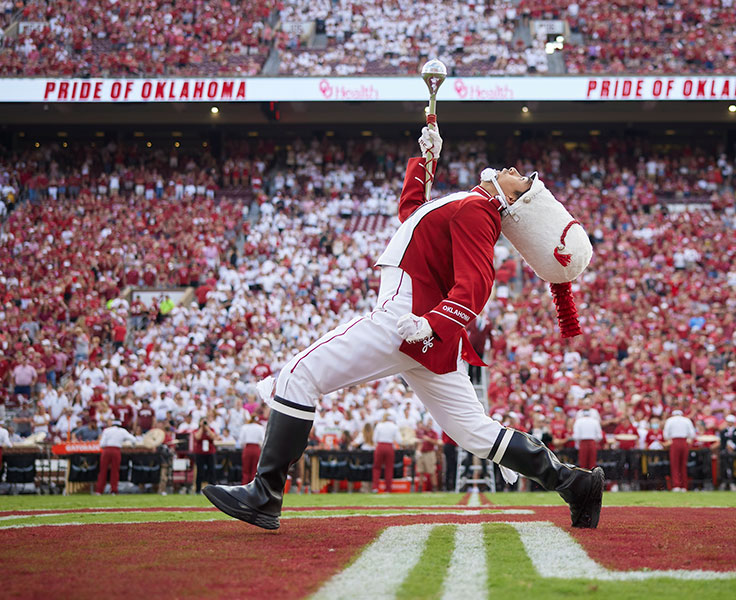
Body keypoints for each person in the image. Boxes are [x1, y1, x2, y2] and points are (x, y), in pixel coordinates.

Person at [202, 121, 603, 530]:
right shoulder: (470, 204)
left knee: (296, 376)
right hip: (425, 337)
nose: (515, 169)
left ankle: (264, 495)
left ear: (516, 197)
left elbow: (476, 285)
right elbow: (411, 214)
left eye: (523, 177)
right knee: (475, 432)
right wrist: (424, 160)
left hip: (405, 321)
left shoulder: (478, 209)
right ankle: (576, 484)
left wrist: (431, 324)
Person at [95, 420, 137, 494]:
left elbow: (102, 444)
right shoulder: (122, 431)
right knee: (115, 471)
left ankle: (99, 490)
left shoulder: (107, 430)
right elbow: (133, 439)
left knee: (103, 471)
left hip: (106, 450)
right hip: (116, 450)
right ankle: (113, 490)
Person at [663, 409, 695, 492]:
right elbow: (692, 433)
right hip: (684, 441)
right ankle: (684, 486)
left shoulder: (670, 420)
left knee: (675, 465)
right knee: (683, 464)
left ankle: (676, 485)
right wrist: (689, 439)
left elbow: (666, 434)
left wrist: (669, 439)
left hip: (674, 442)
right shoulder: (686, 420)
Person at [372, 412, 400, 493]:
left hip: (380, 446)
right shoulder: (394, 426)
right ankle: (388, 489)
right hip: (389, 446)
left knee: (377, 467)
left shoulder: (379, 425)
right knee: (389, 468)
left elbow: (374, 439)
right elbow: (399, 440)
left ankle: (375, 487)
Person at [572, 406, 603, 470]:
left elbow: (576, 436)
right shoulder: (595, 421)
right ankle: (592, 477)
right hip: (592, 442)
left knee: (583, 463)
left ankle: (584, 478)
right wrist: (595, 441)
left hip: (583, 443)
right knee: (592, 463)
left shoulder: (578, 421)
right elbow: (599, 436)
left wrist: (578, 442)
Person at [193, 419, 219, 494]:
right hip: (200, 453)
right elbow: (197, 437)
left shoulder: (211, 429)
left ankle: (213, 489)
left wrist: (207, 428)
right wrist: (201, 427)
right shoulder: (197, 430)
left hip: (210, 452)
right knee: (200, 472)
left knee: (211, 471)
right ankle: (198, 490)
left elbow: (213, 437)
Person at [238, 415, 265, 485]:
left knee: (245, 470)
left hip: (247, 449)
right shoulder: (260, 428)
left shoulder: (245, 427)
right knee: (254, 471)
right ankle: (253, 487)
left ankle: (244, 486)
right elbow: (263, 440)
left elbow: (241, 441)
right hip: (256, 449)